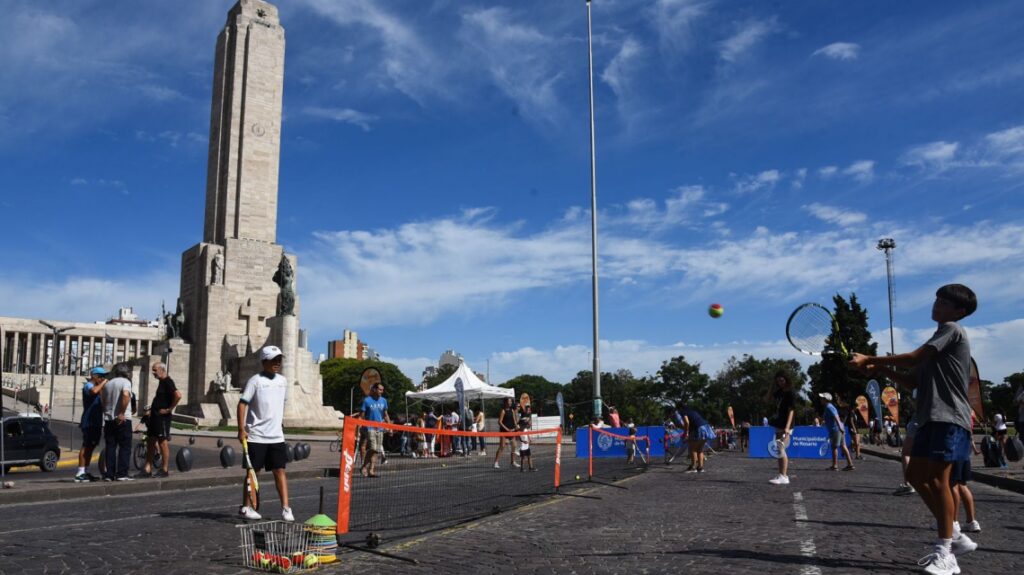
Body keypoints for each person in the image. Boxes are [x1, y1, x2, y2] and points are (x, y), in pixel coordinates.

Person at [849, 284, 978, 575]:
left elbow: (913, 358)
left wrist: (871, 359)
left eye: (944, 302)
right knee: (916, 475)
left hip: (949, 417)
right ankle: (955, 533)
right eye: (937, 300)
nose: (937, 305)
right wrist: (880, 371)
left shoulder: (953, 330)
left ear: (959, 312)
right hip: (930, 418)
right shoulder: (938, 338)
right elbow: (912, 382)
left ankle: (946, 551)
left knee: (940, 480)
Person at [237, 345, 293, 522]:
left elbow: (280, 404)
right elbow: (242, 403)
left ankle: (286, 508)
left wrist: (280, 424)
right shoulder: (255, 381)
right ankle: (246, 507)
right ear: (264, 362)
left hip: (276, 436)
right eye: (273, 359)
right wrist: (241, 428)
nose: (277, 362)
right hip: (256, 435)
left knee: (280, 471)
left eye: (279, 359)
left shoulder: (283, 381)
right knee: (254, 473)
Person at [136, 362, 181, 478]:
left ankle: (164, 469)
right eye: (153, 370)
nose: (153, 373)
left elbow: (178, 395)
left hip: (162, 418)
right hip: (155, 417)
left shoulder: (168, 382)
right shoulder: (162, 382)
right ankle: (147, 468)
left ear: (162, 370)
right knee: (151, 441)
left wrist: (169, 409)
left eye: (155, 370)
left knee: (162, 442)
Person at [100, 363, 134, 482]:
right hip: (122, 419)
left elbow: (102, 400)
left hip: (109, 420)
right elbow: (125, 395)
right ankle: (121, 474)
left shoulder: (108, 384)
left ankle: (109, 474)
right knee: (125, 446)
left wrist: (107, 411)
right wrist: (121, 413)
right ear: (126, 373)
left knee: (110, 447)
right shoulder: (126, 382)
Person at [74, 367, 108, 482]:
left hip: (96, 421)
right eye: (100, 376)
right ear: (94, 376)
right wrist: (103, 384)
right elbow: (93, 391)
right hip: (89, 421)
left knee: (91, 446)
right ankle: (80, 472)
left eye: (103, 377)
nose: (102, 378)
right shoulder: (88, 385)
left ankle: (86, 471)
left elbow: (103, 405)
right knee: (86, 446)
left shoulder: (99, 389)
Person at [765, 371, 796, 485]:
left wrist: (788, 428)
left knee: (781, 447)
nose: (780, 382)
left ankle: (784, 476)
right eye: (778, 381)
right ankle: (781, 474)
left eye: (781, 380)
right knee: (779, 448)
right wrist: (771, 387)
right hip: (778, 423)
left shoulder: (791, 393)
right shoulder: (779, 392)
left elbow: (792, 410)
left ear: (786, 380)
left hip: (787, 424)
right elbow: (766, 400)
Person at [360, 382, 391, 477]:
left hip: (380, 428)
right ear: (374, 389)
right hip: (370, 428)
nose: (382, 391)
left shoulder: (384, 401)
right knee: (373, 448)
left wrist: (390, 427)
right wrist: (361, 427)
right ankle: (365, 467)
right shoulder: (367, 401)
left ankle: (370, 470)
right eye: (380, 389)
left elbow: (385, 415)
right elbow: (361, 416)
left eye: (382, 390)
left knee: (377, 450)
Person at [820, 393, 855, 471]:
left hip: (836, 429)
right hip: (838, 428)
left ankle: (835, 466)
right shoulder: (828, 407)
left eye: (822, 398)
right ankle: (850, 464)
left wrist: (840, 427)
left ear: (826, 399)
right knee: (843, 446)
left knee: (834, 447)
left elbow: (836, 417)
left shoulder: (829, 407)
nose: (820, 399)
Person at [677, 403, 714, 473]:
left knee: (692, 449)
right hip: (706, 428)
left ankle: (693, 467)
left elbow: (687, 422)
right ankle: (700, 467)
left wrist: (686, 432)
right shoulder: (692, 411)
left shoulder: (683, 412)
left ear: (680, 408)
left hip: (698, 429)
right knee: (699, 449)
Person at [494, 397, 519, 469]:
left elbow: (514, 420)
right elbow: (499, 422)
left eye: (511, 401)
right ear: (505, 402)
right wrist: (507, 429)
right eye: (509, 401)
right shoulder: (503, 411)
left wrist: (516, 427)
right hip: (504, 432)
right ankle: (496, 462)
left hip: (512, 431)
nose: (510, 403)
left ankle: (513, 462)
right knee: (502, 446)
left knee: (514, 446)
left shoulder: (512, 410)